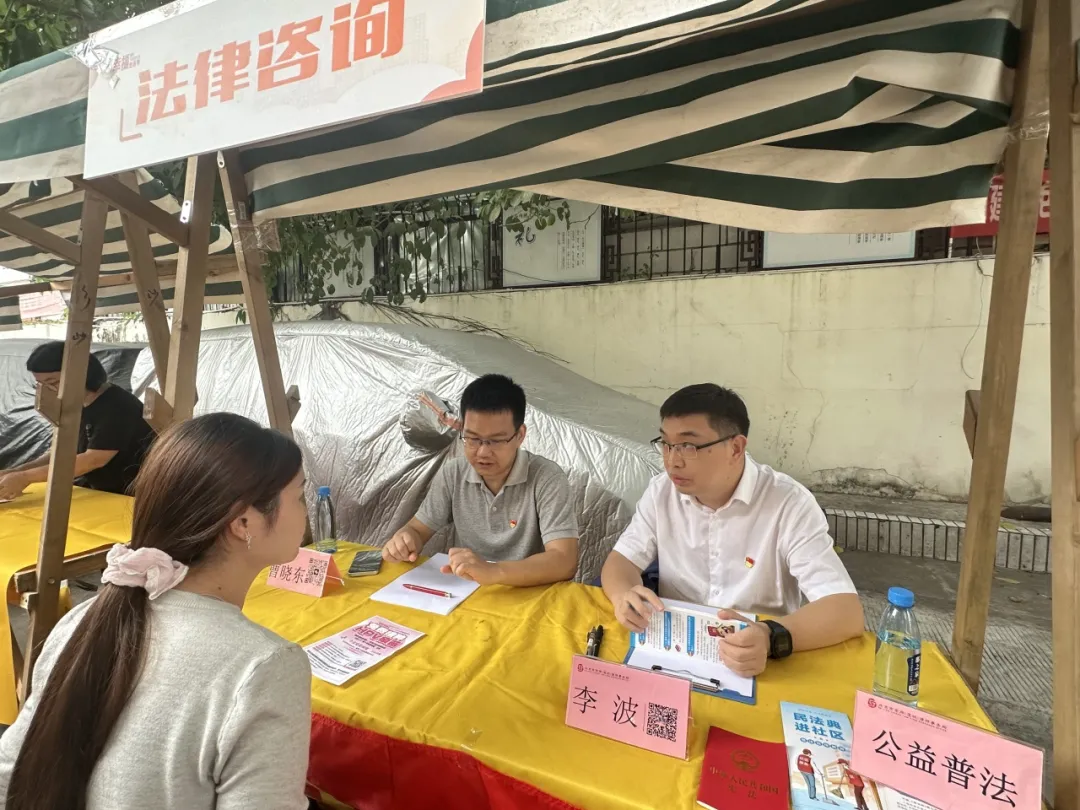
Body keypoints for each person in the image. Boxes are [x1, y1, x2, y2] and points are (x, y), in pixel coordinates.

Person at [0, 413, 313, 810]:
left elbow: (10, 774)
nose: (306, 510)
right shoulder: (265, 666)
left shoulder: (83, 619)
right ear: (244, 521)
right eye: (298, 496)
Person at [600, 383, 863, 677]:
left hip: (757, 659)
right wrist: (623, 596)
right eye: (666, 444)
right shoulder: (662, 492)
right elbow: (621, 561)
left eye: (688, 446)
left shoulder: (788, 504)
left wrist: (770, 637)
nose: (672, 460)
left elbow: (845, 610)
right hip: (678, 649)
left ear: (736, 447)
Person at [383, 374, 579, 586]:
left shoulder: (546, 478)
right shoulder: (454, 473)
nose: (483, 452)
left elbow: (564, 560)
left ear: (520, 435)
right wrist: (405, 539)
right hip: (463, 591)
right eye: (473, 439)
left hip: (525, 593)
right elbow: (417, 530)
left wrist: (494, 571)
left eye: (496, 440)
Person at [0, 342, 157, 500]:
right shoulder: (77, 405)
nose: (48, 390)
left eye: (53, 382)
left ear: (81, 373)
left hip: (132, 496)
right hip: (100, 492)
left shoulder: (117, 406)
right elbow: (62, 452)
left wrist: (26, 477)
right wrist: (17, 472)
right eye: (41, 384)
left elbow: (93, 460)